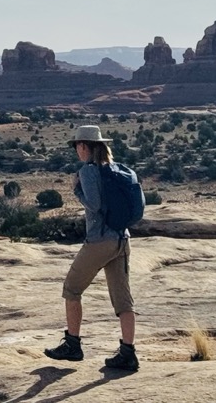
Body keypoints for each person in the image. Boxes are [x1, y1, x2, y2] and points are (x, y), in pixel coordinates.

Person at [44, 125, 139, 371]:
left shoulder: (88, 171)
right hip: (122, 239)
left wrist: (76, 189)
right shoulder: (115, 169)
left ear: (83, 146)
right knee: (123, 300)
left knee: (71, 289)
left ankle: (73, 345)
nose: (77, 150)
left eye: (77, 146)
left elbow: (94, 205)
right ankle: (128, 354)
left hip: (99, 241)